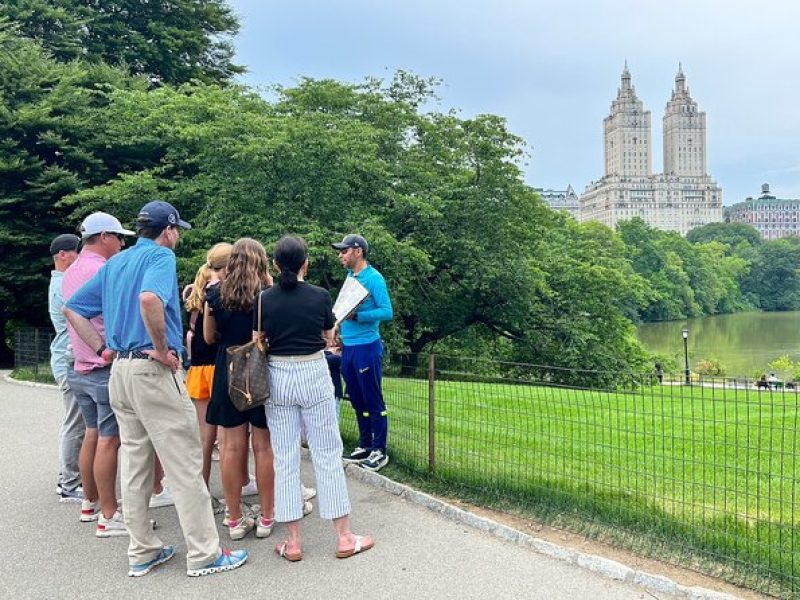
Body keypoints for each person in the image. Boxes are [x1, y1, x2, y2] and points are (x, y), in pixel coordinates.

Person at [64, 200, 247, 577]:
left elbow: (73, 308)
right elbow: (150, 299)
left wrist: (102, 349)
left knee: (134, 463)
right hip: (151, 371)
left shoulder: (115, 263)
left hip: (120, 374)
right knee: (183, 461)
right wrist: (163, 351)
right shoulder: (159, 259)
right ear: (169, 230)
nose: (177, 237)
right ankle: (204, 553)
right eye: (177, 230)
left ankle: (142, 549)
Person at [256, 235, 374, 562]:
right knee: (326, 451)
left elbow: (258, 340)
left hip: (278, 375)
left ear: (276, 265)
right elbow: (327, 336)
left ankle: (293, 542)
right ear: (305, 263)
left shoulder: (264, 299)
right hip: (313, 371)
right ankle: (344, 536)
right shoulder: (321, 296)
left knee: (285, 456)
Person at [62, 213, 134, 534]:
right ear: (104, 236)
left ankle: (89, 504)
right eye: (119, 237)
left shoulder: (72, 269)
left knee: (92, 433)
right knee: (110, 440)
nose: (122, 243)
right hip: (104, 366)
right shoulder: (106, 270)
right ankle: (109, 515)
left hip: (79, 367)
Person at [204, 238, 275, 540]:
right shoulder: (267, 296)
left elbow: (209, 338)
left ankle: (234, 519)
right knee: (263, 446)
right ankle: (268, 516)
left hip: (227, 367)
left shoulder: (214, 294)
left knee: (231, 447)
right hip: (258, 370)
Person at [332, 234, 393, 471]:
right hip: (349, 346)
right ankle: (365, 444)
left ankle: (380, 449)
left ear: (358, 251)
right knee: (357, 398)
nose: (341, 255)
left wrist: (360, 316)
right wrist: (337, 328)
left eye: (344, 251)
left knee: (372, 398)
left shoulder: (374, 278)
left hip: (368, 346)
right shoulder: (350, 277)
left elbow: (387, 311)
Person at [184, 242, 232, 489]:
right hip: (218, 367)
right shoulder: (220, 293)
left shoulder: (196, 292)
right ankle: (233, 490)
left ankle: (200, 489)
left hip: (198, 369)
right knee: (226, 437)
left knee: (204, 436)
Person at [49, 233, 85, 502]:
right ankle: (70, 484)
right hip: (68, 359)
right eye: (76, 252)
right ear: (64, 255)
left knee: (75, 422)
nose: (79, 256)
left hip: (63, 358)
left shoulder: (58, 282)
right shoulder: (64, 284)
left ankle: (67, 477)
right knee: (76, 423)